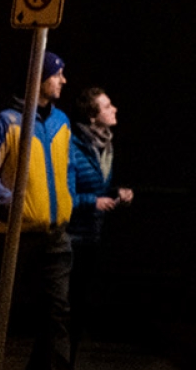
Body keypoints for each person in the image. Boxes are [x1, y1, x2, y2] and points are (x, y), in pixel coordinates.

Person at [0, 51, 79, 370]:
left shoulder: (61, 122)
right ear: (39, 78)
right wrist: (11, 207)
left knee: (57, 314)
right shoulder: (7, 121)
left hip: (54, 235)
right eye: (57, 74)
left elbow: (68, 167)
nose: (63, 80)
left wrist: (67, 201)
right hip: (10, 236)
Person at [65, 86, 132, 364]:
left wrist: (117, 193)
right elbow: (63, 193)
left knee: (79, 306)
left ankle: (60, 360)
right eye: (106, 106)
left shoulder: (104, 146)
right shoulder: (73, 146)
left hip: (92, 235)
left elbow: (99, 185)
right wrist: (92, 202)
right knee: (67, 308)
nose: (114, 109)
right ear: (92, 118)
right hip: (71, 237)